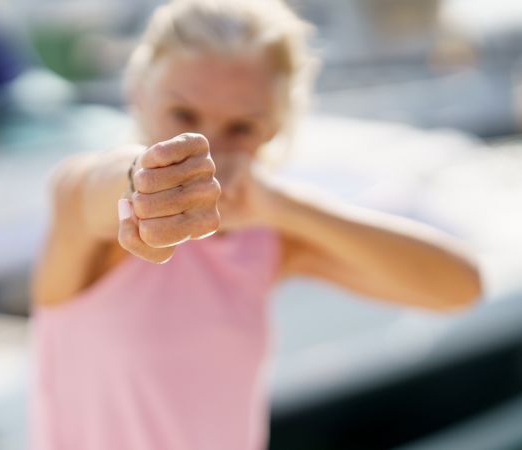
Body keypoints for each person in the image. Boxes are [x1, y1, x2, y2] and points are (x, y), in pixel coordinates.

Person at [30, 1, 482, 449]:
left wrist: (283, 206)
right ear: (139, 94)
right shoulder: (85, 204)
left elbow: (459, 288)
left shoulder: (269, 240)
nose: (207, 149)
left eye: (242, 127)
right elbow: (92, 189)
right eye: (183, 116)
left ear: (274, 128)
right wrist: (144, 180)